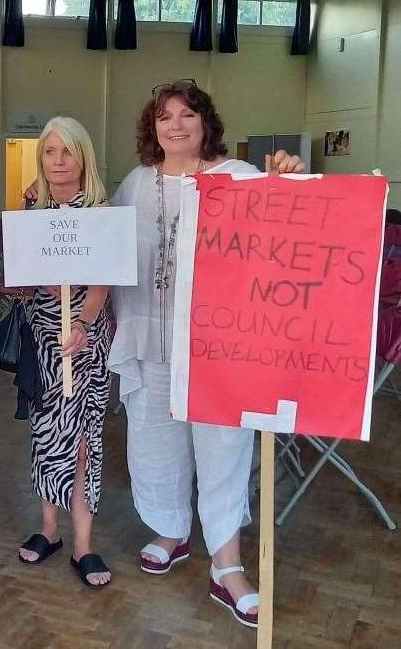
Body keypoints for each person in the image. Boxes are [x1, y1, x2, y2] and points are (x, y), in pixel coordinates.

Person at [107, 80, 305, 628]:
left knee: (223, 444)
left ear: (205, 122)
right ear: (153, 127)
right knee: (153, 438)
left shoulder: (240, 179)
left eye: (187, 115)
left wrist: (285, 179)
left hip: (220, 345)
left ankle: (227, 563)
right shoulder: (136, 183)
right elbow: (105, 245)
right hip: (151, 337)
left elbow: (287, 232)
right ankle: (170, 531)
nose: (175, 125)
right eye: (164, 116)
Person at [16, 117, 113, 588]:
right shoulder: (32, 207)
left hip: (82, 339)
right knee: (45, 435)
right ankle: (48, 530)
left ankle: (83, 544)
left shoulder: (100, 210)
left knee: (80, 441)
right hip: (43, 339)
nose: (57, 161)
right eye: (50, 152)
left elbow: (102, 283)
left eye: (66, 152)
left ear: (82, 157)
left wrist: (83, 323)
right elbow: (20, 270)